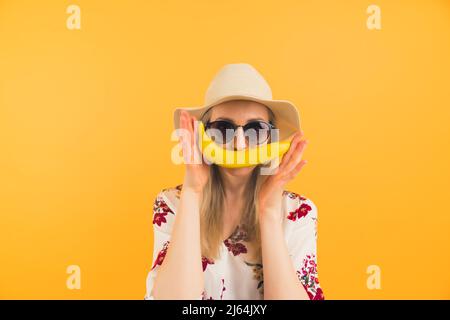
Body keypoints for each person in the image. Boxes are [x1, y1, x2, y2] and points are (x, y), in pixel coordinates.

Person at [145, 63, 324, 300]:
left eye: (255, 129)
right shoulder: (173, 204)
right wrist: (192, 191)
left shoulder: (298, 212)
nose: (239, 145)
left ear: (271, 138)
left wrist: (268, 211)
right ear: (204, 135)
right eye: (222, 128)